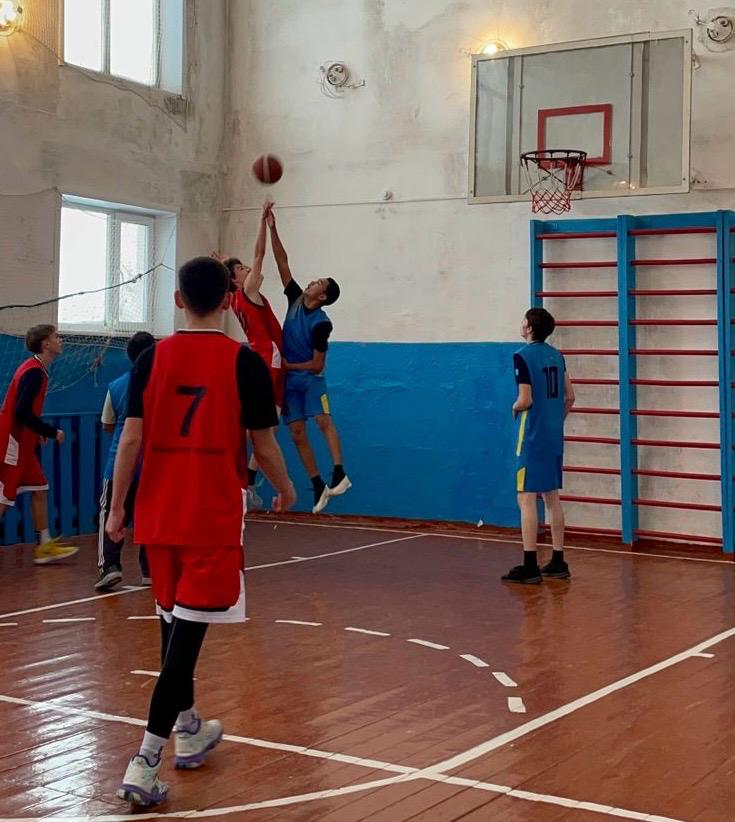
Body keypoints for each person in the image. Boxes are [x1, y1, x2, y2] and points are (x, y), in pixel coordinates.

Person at [108, 256, 295, 806]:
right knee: (183, 650)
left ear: (178, 300)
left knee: (173, 633)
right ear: (230, 301)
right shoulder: (244, 363)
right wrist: (286, 488)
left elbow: (130, 440)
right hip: (209, 520)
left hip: (158, 518)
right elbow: (264, 444)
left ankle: (189, 727)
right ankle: (145, 761)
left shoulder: (151, 358)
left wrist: (117, 510)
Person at [266, 205, 351, 514]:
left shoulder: (321, 323)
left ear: (323, 296)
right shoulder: (295, 299)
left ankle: (339, 472)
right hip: (290, 381)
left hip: (309, 378)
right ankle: (317, 484)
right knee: (296, 432)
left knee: (322, 420)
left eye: (318, 283)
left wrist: (289, 365)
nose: (312, 281)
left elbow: (318, 365)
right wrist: (273, 228)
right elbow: (282, 261)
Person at [216, 203, 284, 511]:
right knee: (266, 425)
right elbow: (260, 254)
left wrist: (222, 263)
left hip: (262, 357)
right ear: (236, 280)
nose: (248, 269)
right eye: (242, 269)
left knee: (267, 423)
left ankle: (247, 476)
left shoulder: (234, 300)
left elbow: (241, 266)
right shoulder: (248, 292)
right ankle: (244, 478)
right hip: (269, 359)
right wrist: (263, 223)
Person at [503, 307, 575, 584]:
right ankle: (558, 560)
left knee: (526, 497)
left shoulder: (522, 356)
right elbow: (570, 396)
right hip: (553, 435)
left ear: (530, 327)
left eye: (524, 320)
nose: (521, 323)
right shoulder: (557, 355)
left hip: (531, 436)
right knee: (551, 496)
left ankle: (530, 564)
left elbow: (526, 399)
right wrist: (555, 421)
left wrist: (514, 406)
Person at [0, 325, 78, 564]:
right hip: (12, 442)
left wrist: (36, 431)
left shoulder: (36, 369)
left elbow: (25, 411)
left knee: (40, 488)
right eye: (56, 337)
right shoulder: (33, 372)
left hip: (23, 441)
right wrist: (50, 431)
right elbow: (21, 412)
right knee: (4, 498)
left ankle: (44, 545)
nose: (60, 340)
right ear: (46, 343)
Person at [95, 331, 155, 591]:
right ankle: (150, 569)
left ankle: (110, 566)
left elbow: (107, 424)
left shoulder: (117, 386)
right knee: (150, 516)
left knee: (111, 513)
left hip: (120, 464)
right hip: (153, 464)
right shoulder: (162, 384)